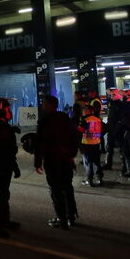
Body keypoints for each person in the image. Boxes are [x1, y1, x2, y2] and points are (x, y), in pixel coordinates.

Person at [34, 95, 81, 229]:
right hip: (66, 159)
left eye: (44, 103)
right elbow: (74, 136)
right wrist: (72, 154)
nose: (43, 105)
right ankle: (71, 216)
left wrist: (37, 162)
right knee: (67, 188)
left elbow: (40, 143)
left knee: (55, 189)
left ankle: (61, 218)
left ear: (48, 105)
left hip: (52, 159)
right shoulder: (65, 118)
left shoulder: (45, 121)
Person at [0, 98, 21, 238]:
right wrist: (14, 165)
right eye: (6, 109)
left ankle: (4, 221)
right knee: (0, 194)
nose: (10, 111)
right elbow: (3, 149)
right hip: (1, 164)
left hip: (5, 163)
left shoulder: (2, 125)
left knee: (4, 193)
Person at [78, 104, 103, 187]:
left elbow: (80, 131)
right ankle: (100, 179)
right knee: (97, 162)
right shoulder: (98, 119)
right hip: (96, 144)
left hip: (87, 144)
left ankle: (90, 180)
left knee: (88, 163)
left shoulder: (85, 120)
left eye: (85, 110)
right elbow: (105, 129)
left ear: (89, 111)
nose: (83, 112)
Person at [102, 88, 123, 170]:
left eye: (111, 95)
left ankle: (125, 165)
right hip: (111, 129)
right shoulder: (112, 104)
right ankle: (108, 163)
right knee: (109, 147)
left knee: (121, 148)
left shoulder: (119, 105)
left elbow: (120, 119)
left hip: (117, 129)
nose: (109, 96)